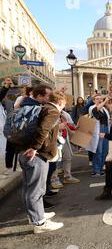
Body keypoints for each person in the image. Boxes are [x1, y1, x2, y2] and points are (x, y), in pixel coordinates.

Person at [19, 88, 67, 233]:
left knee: (29, 187)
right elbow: (43, 130)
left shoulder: (42, 108)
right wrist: (35, 147)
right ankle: (40, 223)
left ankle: (34, 215)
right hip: (37, 155)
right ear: (60, 102)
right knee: (37, 190)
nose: (64, 107)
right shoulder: (52, 111)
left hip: (27, 152)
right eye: (64, 104)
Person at [88, 95, 110, 177]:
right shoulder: (92, 108)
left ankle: (101, 168)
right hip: (98, 130)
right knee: (98, 151)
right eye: (97, 99)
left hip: (106, 129)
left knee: (105, 151)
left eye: (100, 99)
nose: (99, 100)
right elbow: (95, 111)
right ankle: (96, 170)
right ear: (93, 101)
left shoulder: (104, 109)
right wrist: (104, 101)